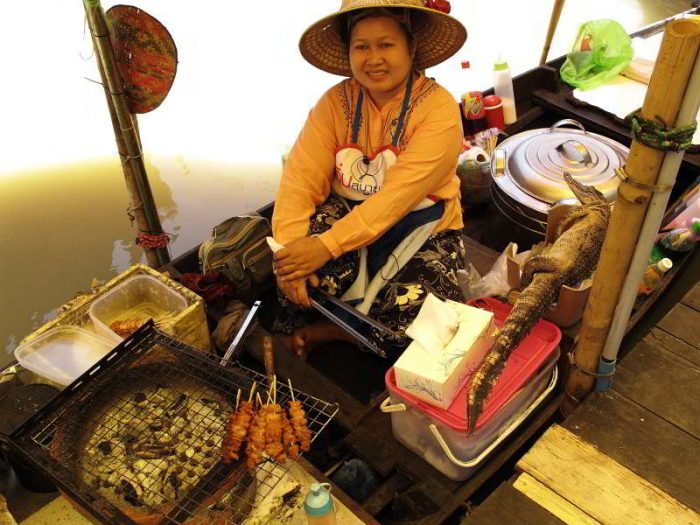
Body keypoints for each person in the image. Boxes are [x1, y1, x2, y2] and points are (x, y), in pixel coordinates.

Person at [271, 0, 468, 359]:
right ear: (348, 52)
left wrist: (326, 247)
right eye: (361, 46)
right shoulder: (334, 103)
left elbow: (397, 199)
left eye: (386, 45)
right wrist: (290, 256)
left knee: (434, 328)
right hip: (346, 214)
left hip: (421, 226)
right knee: (299, 273)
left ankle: (334, 331)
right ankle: (346, 324)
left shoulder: (439, 110)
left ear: (411, 48)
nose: (373, 58)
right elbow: (300, 180)